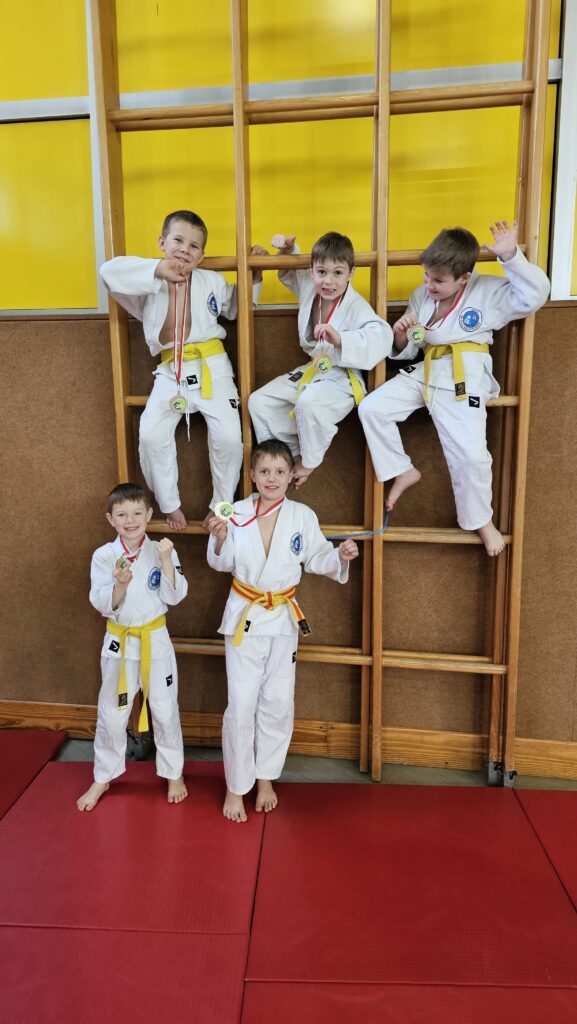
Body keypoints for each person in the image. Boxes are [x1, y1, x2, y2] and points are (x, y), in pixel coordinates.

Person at [359, 220, 550, 555]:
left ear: (464, 277)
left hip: (464, 374)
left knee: (471, 456)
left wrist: (511, 257)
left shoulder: (486, 291)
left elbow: (535, 295)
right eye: (426, 276)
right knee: (372, 408)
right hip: (427, 369)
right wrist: (401, 333)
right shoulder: (421, 296)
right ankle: (402, 470)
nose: (429, 285)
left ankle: (482, 521)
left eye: (438, 280)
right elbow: (410, 346)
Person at [206, 438, 359, 822]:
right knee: (241, 703)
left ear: (292, 476)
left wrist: (339, 555)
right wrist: (220, 537)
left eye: (279, 471)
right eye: (264, 471)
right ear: (252, 475)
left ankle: (265, 778)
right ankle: (235, 786)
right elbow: (220, 563)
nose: (271, 478)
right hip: (244, 617)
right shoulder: (235, 512)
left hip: (283, 619)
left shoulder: (302, 516)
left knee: (277, 701)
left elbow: (318, 557)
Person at [100, 210, 268, 531]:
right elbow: (107, 273)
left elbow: (236, 307)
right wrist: (157, 270)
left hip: (212, 367)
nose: (184, 250)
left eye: (194, 246)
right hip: (170, 370)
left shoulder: (211, 281)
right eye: (177, 240)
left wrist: (255, 274)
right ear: (162, 243)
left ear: (201, 256)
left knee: (230, 438)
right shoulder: (147, 283)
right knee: (151, 435)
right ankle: (169, 504)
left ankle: (221, 504)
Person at [248, 231, 393, 489]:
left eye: (338, 273)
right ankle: (287, 457)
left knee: (309, 402)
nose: (328, 281)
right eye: (321, 272)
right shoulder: (310, 287)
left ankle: (309, 461)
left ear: (351, 273)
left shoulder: (356, 306)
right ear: (312, 271)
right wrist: (287, 252)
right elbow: (290, 273)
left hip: (342, 377)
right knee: (259, 401)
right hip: (314, 369)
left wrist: (342, 339)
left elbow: (382, 335)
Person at [77, 483, 188, 811]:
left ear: (149, 515)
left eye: (137, 513)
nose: (131, 521)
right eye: (122, 515)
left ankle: (174, 773)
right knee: (113, 713)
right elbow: (100, 602)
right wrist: (119, 586)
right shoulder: (104, 556)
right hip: (120, 643)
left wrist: (166, 561)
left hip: (155, 640)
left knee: (165, 710)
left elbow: (174, 597)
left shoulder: (162, 550)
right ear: (110, 519)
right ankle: (103, 776)